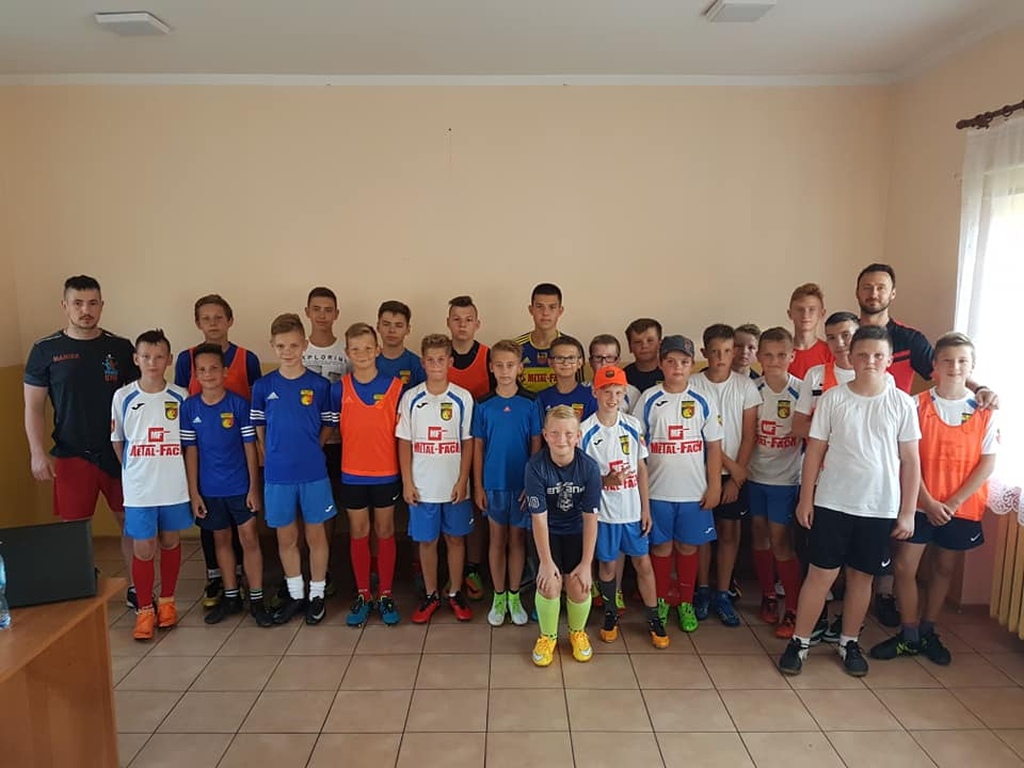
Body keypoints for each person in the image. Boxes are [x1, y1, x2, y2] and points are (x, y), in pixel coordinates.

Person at [855, 263, 998, 627]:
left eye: (881, 287)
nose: (874, 293)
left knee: (894, 533)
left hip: (897, 444)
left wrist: (979, 388)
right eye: (867, 287)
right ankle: (849, 595)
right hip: (856, 446)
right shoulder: (846, 333)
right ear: (857, 291)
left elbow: (947, 370)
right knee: (858, 528)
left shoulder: (911, 340)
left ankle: (885, 597)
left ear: (892, 293)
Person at [778, 325, 921, 678]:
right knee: (820, 575)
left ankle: (849, 641)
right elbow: (815, 452)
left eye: (877, 355)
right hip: (832, 502)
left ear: (889, 360)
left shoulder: (902, 403)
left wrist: (907, 512)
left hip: (879, 506)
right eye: (862, 355)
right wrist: (806, 499)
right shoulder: (833, 399)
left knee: (862, 577)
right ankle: (800, 641)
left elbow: (911, 461)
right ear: (851, 358)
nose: (870, 361)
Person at [870, 332, 998, 666]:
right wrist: (926, 501)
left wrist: (952, 504)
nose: (955, 367)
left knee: (943, 567)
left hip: (961, 508)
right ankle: (909, 633)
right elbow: (905, 459)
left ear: (972, 366)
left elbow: (987, 464)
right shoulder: (915, 405)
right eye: (947, 360)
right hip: (918, 503)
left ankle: (928, 630)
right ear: (935, 365)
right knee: (904, 566)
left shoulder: (985, 410)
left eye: (962, 361)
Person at [24, 275, 140, 608]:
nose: (85, 310)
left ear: (102, 306)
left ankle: (139, 589)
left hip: (119, 453)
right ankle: (81, 590)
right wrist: (36, 453)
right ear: (65, 306)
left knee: (131, 524)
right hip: (72, 453)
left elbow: (139, 402)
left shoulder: (121, 348)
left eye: (92, 303)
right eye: (78, 303)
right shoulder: (45, 350)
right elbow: (33, 408)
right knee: (74, 529)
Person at [173, 294, 262, 610]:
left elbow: (257, 405)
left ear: (230, 320)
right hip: (206, 463)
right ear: (197, 323)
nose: (212, 323)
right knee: (215, 532)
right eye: (206, 318)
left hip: (238, 459)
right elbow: (179, 398)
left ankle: (252, 588)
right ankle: (220, 582)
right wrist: (192, 487)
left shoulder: (247, 359)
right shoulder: (186, 361)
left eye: (218, 317)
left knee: (246, 534)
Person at [632, 335, 723, 634]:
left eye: (684, 362)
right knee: (661, 547)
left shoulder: (702, 400)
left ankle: (685, 601)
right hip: (657, 491)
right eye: (670, 361)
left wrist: (714, 486)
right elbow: (636, 446)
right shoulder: (649, 398)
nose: (677, 367)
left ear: (692, 364)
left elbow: (714, 446)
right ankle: (659, 599)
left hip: (693, 492)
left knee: (687, 547)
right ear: (661, 364)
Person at [250, 313, 336, 626]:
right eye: (281, 346)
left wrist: (316, 445)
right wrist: (268, 451)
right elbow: (259, 425)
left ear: (304, 345)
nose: (288, 351)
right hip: (278, 475)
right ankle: (296, 593)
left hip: (313, 472)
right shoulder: (263, 386)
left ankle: (317, 594)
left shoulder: (319, 385)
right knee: (286, 537)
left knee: (316, 535)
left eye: (294, 345)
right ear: (272, 346)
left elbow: (329, 423)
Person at [181, 344, 270, 627]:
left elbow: (250, 448)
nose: (208, 374)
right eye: (202, 370)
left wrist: (253, 488)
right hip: (209, 489)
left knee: (249, 539)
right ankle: (231, 596)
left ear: (225, 371)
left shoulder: (239, 405)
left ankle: (256, 598)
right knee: (221, 540)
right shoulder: (189, 407)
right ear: (195, 374)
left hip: (240, 487)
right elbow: (191, 452)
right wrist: (194, 492)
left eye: (214, 368)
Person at [110, 330, 190, 641]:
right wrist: (135, 471)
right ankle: (144, 609)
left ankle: (167, 602)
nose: (152, 363)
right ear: (136, 359)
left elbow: (188, 444)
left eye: (159, 357)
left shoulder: (181, 396)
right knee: (143, 547)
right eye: (146, 357)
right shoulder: (123, 396)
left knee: (169, 541)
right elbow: (118, 442)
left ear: (169, 360)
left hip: (173, 486)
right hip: (140, 489)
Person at [581, 366, 669, 649]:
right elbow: (581, 477)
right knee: (607, 565)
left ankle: (654, 617)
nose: (612, 398)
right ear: (595, 392)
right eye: (607, 392)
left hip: (632, 511)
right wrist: (605, 480)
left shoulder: (632, 425)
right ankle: (610, 613)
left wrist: (645, 509)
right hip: (604, 515)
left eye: (618, 393)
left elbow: (641, 468)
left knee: (643, 562)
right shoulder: (584, 431)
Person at [397, 334, 475, 624]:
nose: (435, 365)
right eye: (430, 360)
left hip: (454, 485)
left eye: (441, 359)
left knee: (455, 539)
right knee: (427, 541)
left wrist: (463, 480)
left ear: (450, 362)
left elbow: (468, 442)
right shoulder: (411, 398)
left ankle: (454, 592)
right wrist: (407, 482)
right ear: (422, 362)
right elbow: (404, 442)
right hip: (422, 486)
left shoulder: (462, 398)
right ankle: (431, 594)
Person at [331, 323, 404, 627]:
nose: (362, 354)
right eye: (355, 349)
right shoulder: (339, 389)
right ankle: (363, 593)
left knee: (385, 530)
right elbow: (332, 429)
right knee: (359, 531)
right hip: (353, 474)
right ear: (347, 353)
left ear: (378, 350)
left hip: (386, 473)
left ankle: (385, 593)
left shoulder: (396, 387)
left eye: (367, 348)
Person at [692, 324, 761, 627]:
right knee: (703, 535)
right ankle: (702, 590)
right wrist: (729, 468)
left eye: (727, 351)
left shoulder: (745, 387)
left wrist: (735, 478)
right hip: (702, 473)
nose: (721, 357)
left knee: (729, 533)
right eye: (715, 351)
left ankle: (722, 592)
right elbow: (698, 434)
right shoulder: (693, 384)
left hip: (734, 477)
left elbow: (749, 435)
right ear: (704, 353)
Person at [472, 339, 542, 627]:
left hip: (521, 486)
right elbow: (477, 448)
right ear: (491, 367)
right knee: (497, 539)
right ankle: (498, 596)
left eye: (510, 365)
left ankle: (514, 595)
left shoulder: (531, 403)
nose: (504, 370)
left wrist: (531, 484)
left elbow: (536, 446)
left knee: (517, 540)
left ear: (520, 368)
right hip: (493, 485)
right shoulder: (483, 404)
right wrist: (478, 486)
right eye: (499, 365)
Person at [525, 405, 602, 666]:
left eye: (568, 434)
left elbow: (591, 518)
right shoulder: (535, 467)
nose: (562, 440)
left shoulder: (589, 468)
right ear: (545, 435)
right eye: (555, 433)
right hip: (547, 533)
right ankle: (548, 637)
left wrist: (587, 564)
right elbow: (539, 518)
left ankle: (577, 633)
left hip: (576, 532)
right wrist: (546, 563)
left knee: (579, 585)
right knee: (550, 584)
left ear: (578, 436)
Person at [747, 328, 804, 639]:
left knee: (781, 541)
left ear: (792, 356)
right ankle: (768, 595)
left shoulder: (801, 391)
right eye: (767, 355)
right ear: (758, 357)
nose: (774, 361)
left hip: (786, 480)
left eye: (781, 355)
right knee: (759, 535)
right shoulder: (752, 389)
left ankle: (792, 607)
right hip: (755, 476)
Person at [302, 286, 350, 599]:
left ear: (336, 314)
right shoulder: (298, 348)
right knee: (303, 508)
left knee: (328, 506)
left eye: (328, 309)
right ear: (307, 312)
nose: (322, 315)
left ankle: (326, 568)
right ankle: (305, 568)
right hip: (305, 444)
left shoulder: (347, 352)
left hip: (339, 442)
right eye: (316, 309)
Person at [446, 295, 492, 600]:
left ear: (477, 323)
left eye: (468, 319)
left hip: (478, 444)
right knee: (443, 503)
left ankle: (473, 567)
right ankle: (445, 569)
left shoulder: (488, 357)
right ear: (448, 323)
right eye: (456, 319)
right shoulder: (439, 357)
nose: (462, 325)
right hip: (441, 447)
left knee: (476, 505)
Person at [516, 283, 575, 393]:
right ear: (531, 310)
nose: (545, 313)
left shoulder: (572, 348)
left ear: (560, 311)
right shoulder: (515, 347)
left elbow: (578, 388)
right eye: (539, 307)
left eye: (552, 307)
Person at [536, 335, 597, 422]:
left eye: (571, 358)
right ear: (550, 362)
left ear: (580, 362)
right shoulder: (541, 398)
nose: (565, 363)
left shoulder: (591, 395)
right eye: (559, 358)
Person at [376, 300, 425, 392]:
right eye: (386, 324)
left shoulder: (417, 365)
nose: (392, 330)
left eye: (398, 326)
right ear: (378, 327)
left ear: (408, 329)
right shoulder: (368, 362)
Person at [787, 283, 833, 379]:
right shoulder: (779, 354)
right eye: (800, 309)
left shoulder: (831, 352)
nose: (805, 315)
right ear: (790, 314)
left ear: (822, 313)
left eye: (812, 309)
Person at [623, 318, 664, 393]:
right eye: (638, 342)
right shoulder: (622, 377)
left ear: (660, 344)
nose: (644, 346)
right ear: (630, 347)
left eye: (650, 340)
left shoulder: (670, 373)